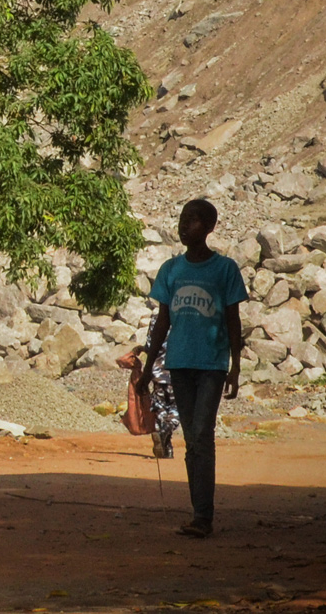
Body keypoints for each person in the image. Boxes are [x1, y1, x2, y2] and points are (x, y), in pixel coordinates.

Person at [137, 198, 247, 538]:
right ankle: (199, 513)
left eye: (193, 220)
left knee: (202, 433)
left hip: (212, 364)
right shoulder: (171, 270)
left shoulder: (224, 269)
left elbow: (232, 319)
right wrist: (146, 368)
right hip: (179, 364)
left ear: (210, 227)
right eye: (183, 219)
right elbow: (162, 322)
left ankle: (204, 515)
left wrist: (235, 367)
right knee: (191, 437)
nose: (185, 226)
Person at [119, 341, 180, 458]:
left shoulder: (156, 322)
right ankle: (166, 431)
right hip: (177, 370)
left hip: (158, 371)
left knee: (160, 404)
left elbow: (151, 344)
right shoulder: (182, 323)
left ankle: (167, 447)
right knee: (175, 406)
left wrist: (141, 349)